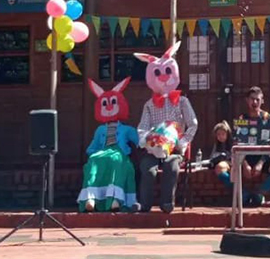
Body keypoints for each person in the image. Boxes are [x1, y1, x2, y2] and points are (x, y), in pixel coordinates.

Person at [135, 41, 198, 214]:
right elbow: (142, 127)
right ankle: (145, 205)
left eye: (167, 72)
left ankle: (167, 204)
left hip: (175, 150)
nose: (163, 77)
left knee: (171, 166)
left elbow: (193, 124)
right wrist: (147, 140)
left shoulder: (183, 102)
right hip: (154, 150)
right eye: (158, 73)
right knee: (147, 169)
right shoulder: (149, 105)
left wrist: (182, 142)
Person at [77, 77, 139, 212]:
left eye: (113, 103)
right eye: (105, 104)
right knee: (94, 160)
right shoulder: (100, 129)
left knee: (115, 160)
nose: (109, 107)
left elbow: (139, 139)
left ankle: (116, 199)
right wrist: (92, 153)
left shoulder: (126, 129)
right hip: (103, 151)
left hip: (119, 153)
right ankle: (91, 198)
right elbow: (93, 146)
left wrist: (151, 140)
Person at [234, 86, 270, 206]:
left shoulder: (268, 119)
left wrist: (261, 163)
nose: (254, 102)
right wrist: (244, 164)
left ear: (262, 101)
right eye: (252, 99)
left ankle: (259, 194)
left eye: (257, 100)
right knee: (222, 169)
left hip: (264, 157)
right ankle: (243, 194)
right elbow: (236, 144)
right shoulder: (241, 119)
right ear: (247, 100)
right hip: (245, 158)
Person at [210, 120, 234, 192]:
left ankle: (238, 190)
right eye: (218, 134)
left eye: (223, 134)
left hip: (231, 163)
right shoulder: (217, 145)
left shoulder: (231, 144)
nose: (221, 136)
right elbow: (212, 156)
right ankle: (234, 189)